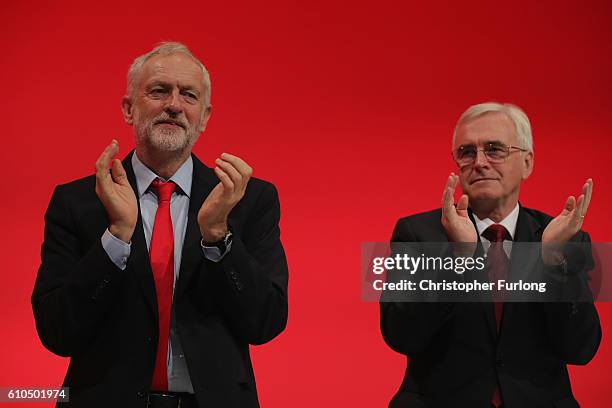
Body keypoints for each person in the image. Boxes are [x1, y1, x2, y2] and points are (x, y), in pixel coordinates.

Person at [32, 42, 288, 408]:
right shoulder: (78, 202)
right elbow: (56, 333)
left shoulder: (245, 199)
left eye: (188, 95)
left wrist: (218, 238)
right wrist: (116, 239)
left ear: (204, 117)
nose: (174, 104)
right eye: (158, 90)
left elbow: (266, 323)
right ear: (128, 109)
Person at [380, 102, 601, 408]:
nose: (479, 162)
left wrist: (551, 261)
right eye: (467, 152)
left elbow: (581, 349)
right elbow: (401, 336)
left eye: (494, 149)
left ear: (527, 162)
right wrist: (461, 259)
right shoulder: (418, 234)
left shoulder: (563, 238)